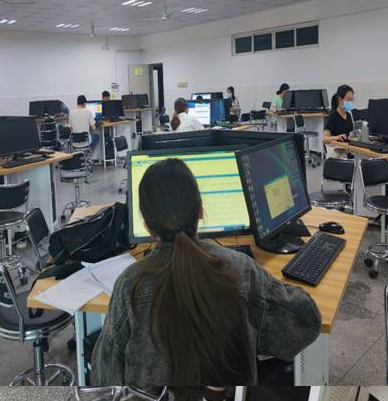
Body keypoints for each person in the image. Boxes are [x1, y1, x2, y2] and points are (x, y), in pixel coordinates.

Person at [91, 158, 321, 385]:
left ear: (147, 225)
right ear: (200, 210)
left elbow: (105, 377)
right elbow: (305, 323)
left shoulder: (130, 285)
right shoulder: (243, 270)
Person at [323, 84, 354, 158]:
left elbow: (350, 135)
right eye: (348, 99)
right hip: (335, 152)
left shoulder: (348, 115)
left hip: (345, 150)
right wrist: (336, 137)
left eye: (351, 100)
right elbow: (324, 139)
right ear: (340, 99)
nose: (350, 102)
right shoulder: (333, 116)